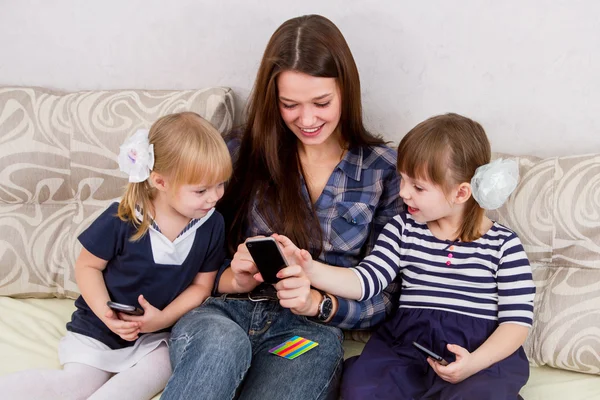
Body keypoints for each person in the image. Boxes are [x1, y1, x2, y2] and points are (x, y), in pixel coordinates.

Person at [161, 14, 403, 400]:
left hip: (307, 332)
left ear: (347, 91)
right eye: (290, 104)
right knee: (222, 346)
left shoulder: (383, 171)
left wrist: (320, 304)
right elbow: (182, 248)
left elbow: (386, 296)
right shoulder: (239, 154)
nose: (307, 120)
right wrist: (232, 274)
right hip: (223, 313)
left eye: (321, 102)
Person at [286, 113, 535, 399]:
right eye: (403, 179)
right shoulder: (403, 228)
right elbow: (365, 281)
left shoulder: (503, 245)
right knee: (362, 388)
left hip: (477, 354)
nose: (403, 193)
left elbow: (516, 323)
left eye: (418, 187)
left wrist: (474, 363)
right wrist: (310, 269)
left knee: (481, 393)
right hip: (408, 346)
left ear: (461, 192)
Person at [0, 112, 232, 400]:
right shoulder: (122, 217)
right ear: (160, 182)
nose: (214, 197)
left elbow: (201, 286)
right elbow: (87, 267)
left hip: (156, 336)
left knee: (143, 378)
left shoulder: (211, 224)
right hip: (99, 327)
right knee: (74, 386)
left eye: (220, 184)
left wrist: (160, 321)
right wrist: (107, 315)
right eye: (201, 190)